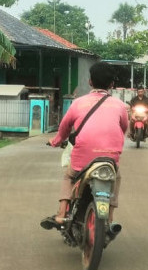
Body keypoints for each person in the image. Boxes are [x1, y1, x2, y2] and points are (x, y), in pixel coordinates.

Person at [41, 61, 128, 230]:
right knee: (115, 177)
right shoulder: (120, 105)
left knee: (69, 176)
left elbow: (64, 128)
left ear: (90, 82)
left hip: (83, 158)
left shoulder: (78, 103)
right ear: (111, 84)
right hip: (109, 158)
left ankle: (61, 214)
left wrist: (56, 141)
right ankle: (109, 217)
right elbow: (123, 128)